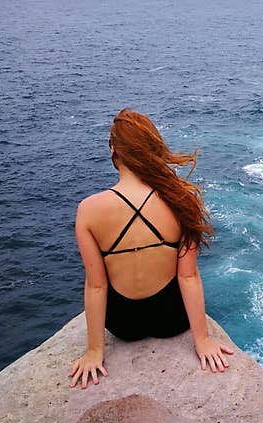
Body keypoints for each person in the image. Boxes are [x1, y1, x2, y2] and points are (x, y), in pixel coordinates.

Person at [69, 108, 233, 389]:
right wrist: (202, 340)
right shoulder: (182, 200)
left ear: (113, 150)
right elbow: (188, 276)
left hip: (123, 326)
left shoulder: (88, 210)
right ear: (152, 149)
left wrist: (95, 351)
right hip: (172, 320)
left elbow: (96, 286)